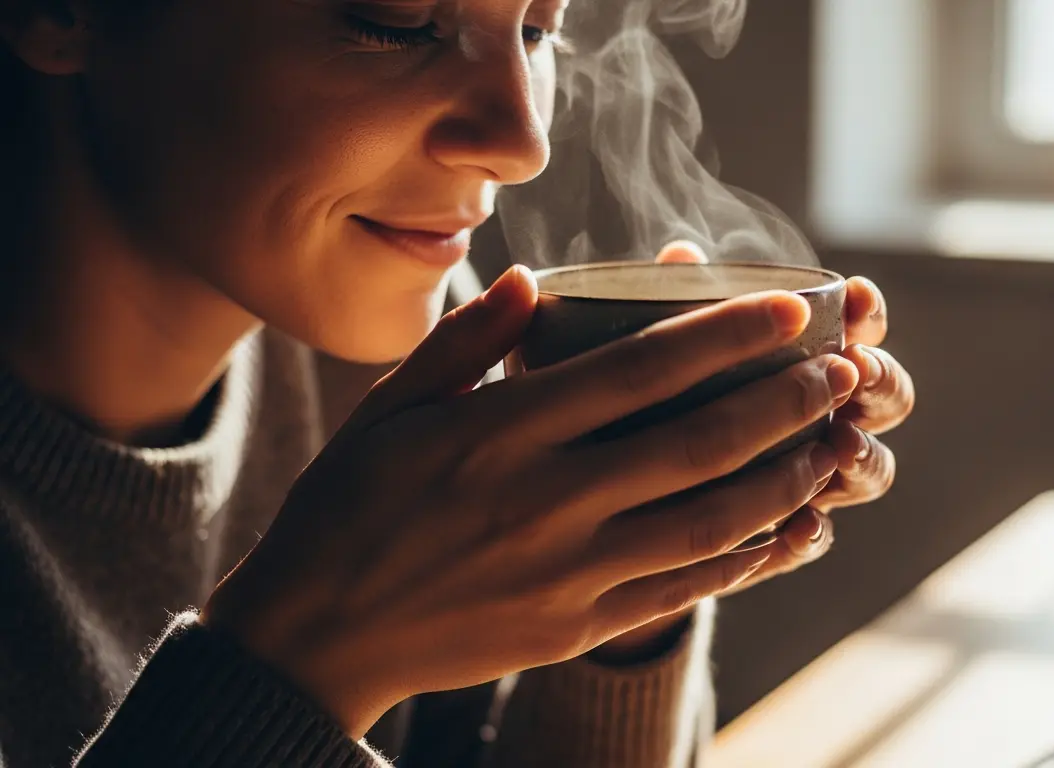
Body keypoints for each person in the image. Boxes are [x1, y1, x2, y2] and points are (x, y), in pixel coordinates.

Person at [0, 1, 915, 766]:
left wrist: (628, 573)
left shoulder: (400, 343)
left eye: (537, 29)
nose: (522, 144)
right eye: (395, 23)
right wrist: (299, 664)